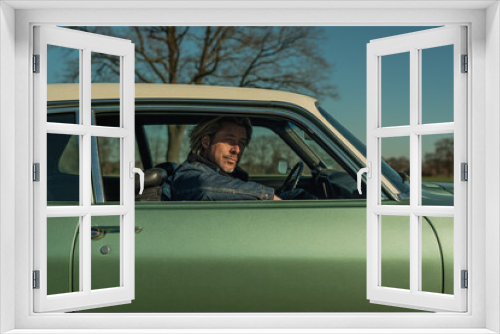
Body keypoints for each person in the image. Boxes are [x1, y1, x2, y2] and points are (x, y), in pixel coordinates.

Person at [170, 116, 282, 201]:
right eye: (229, 141)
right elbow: (205, 186)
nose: (237, 150)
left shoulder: (228, 177)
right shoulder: (188, 173)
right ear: (206, 142)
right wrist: (267, 196)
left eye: (241, 143)